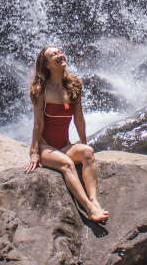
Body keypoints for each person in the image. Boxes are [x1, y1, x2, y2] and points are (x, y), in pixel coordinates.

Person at [25, 45, 109, 223]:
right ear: (47, 65)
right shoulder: (41, 89)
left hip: (64, 145)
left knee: (87, 153)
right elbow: (38, 123)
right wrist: (34, 152)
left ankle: (95, 201)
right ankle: (89, 208)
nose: (59, 55)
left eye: (59, 52)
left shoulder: (74, 85)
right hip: (45, 148)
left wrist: (84, 144)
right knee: (68, 164)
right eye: (53, 54)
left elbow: (79, 118)